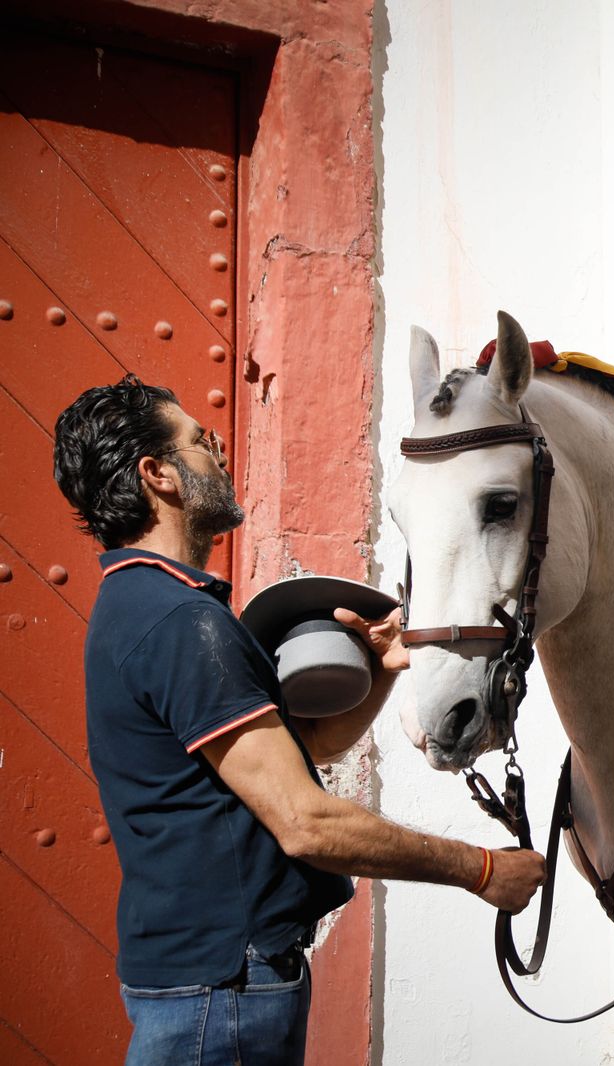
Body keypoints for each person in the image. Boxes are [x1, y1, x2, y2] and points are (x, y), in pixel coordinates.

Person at [52, 375, 546, 1066]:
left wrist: (381, 671)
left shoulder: (139, 603)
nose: (218, 454)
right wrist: (481, 867)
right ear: (156, 474)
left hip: (208, 986)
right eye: (201, 441)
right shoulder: (180, 622)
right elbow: (304, 820)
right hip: (218, 1001)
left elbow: (302, 749)